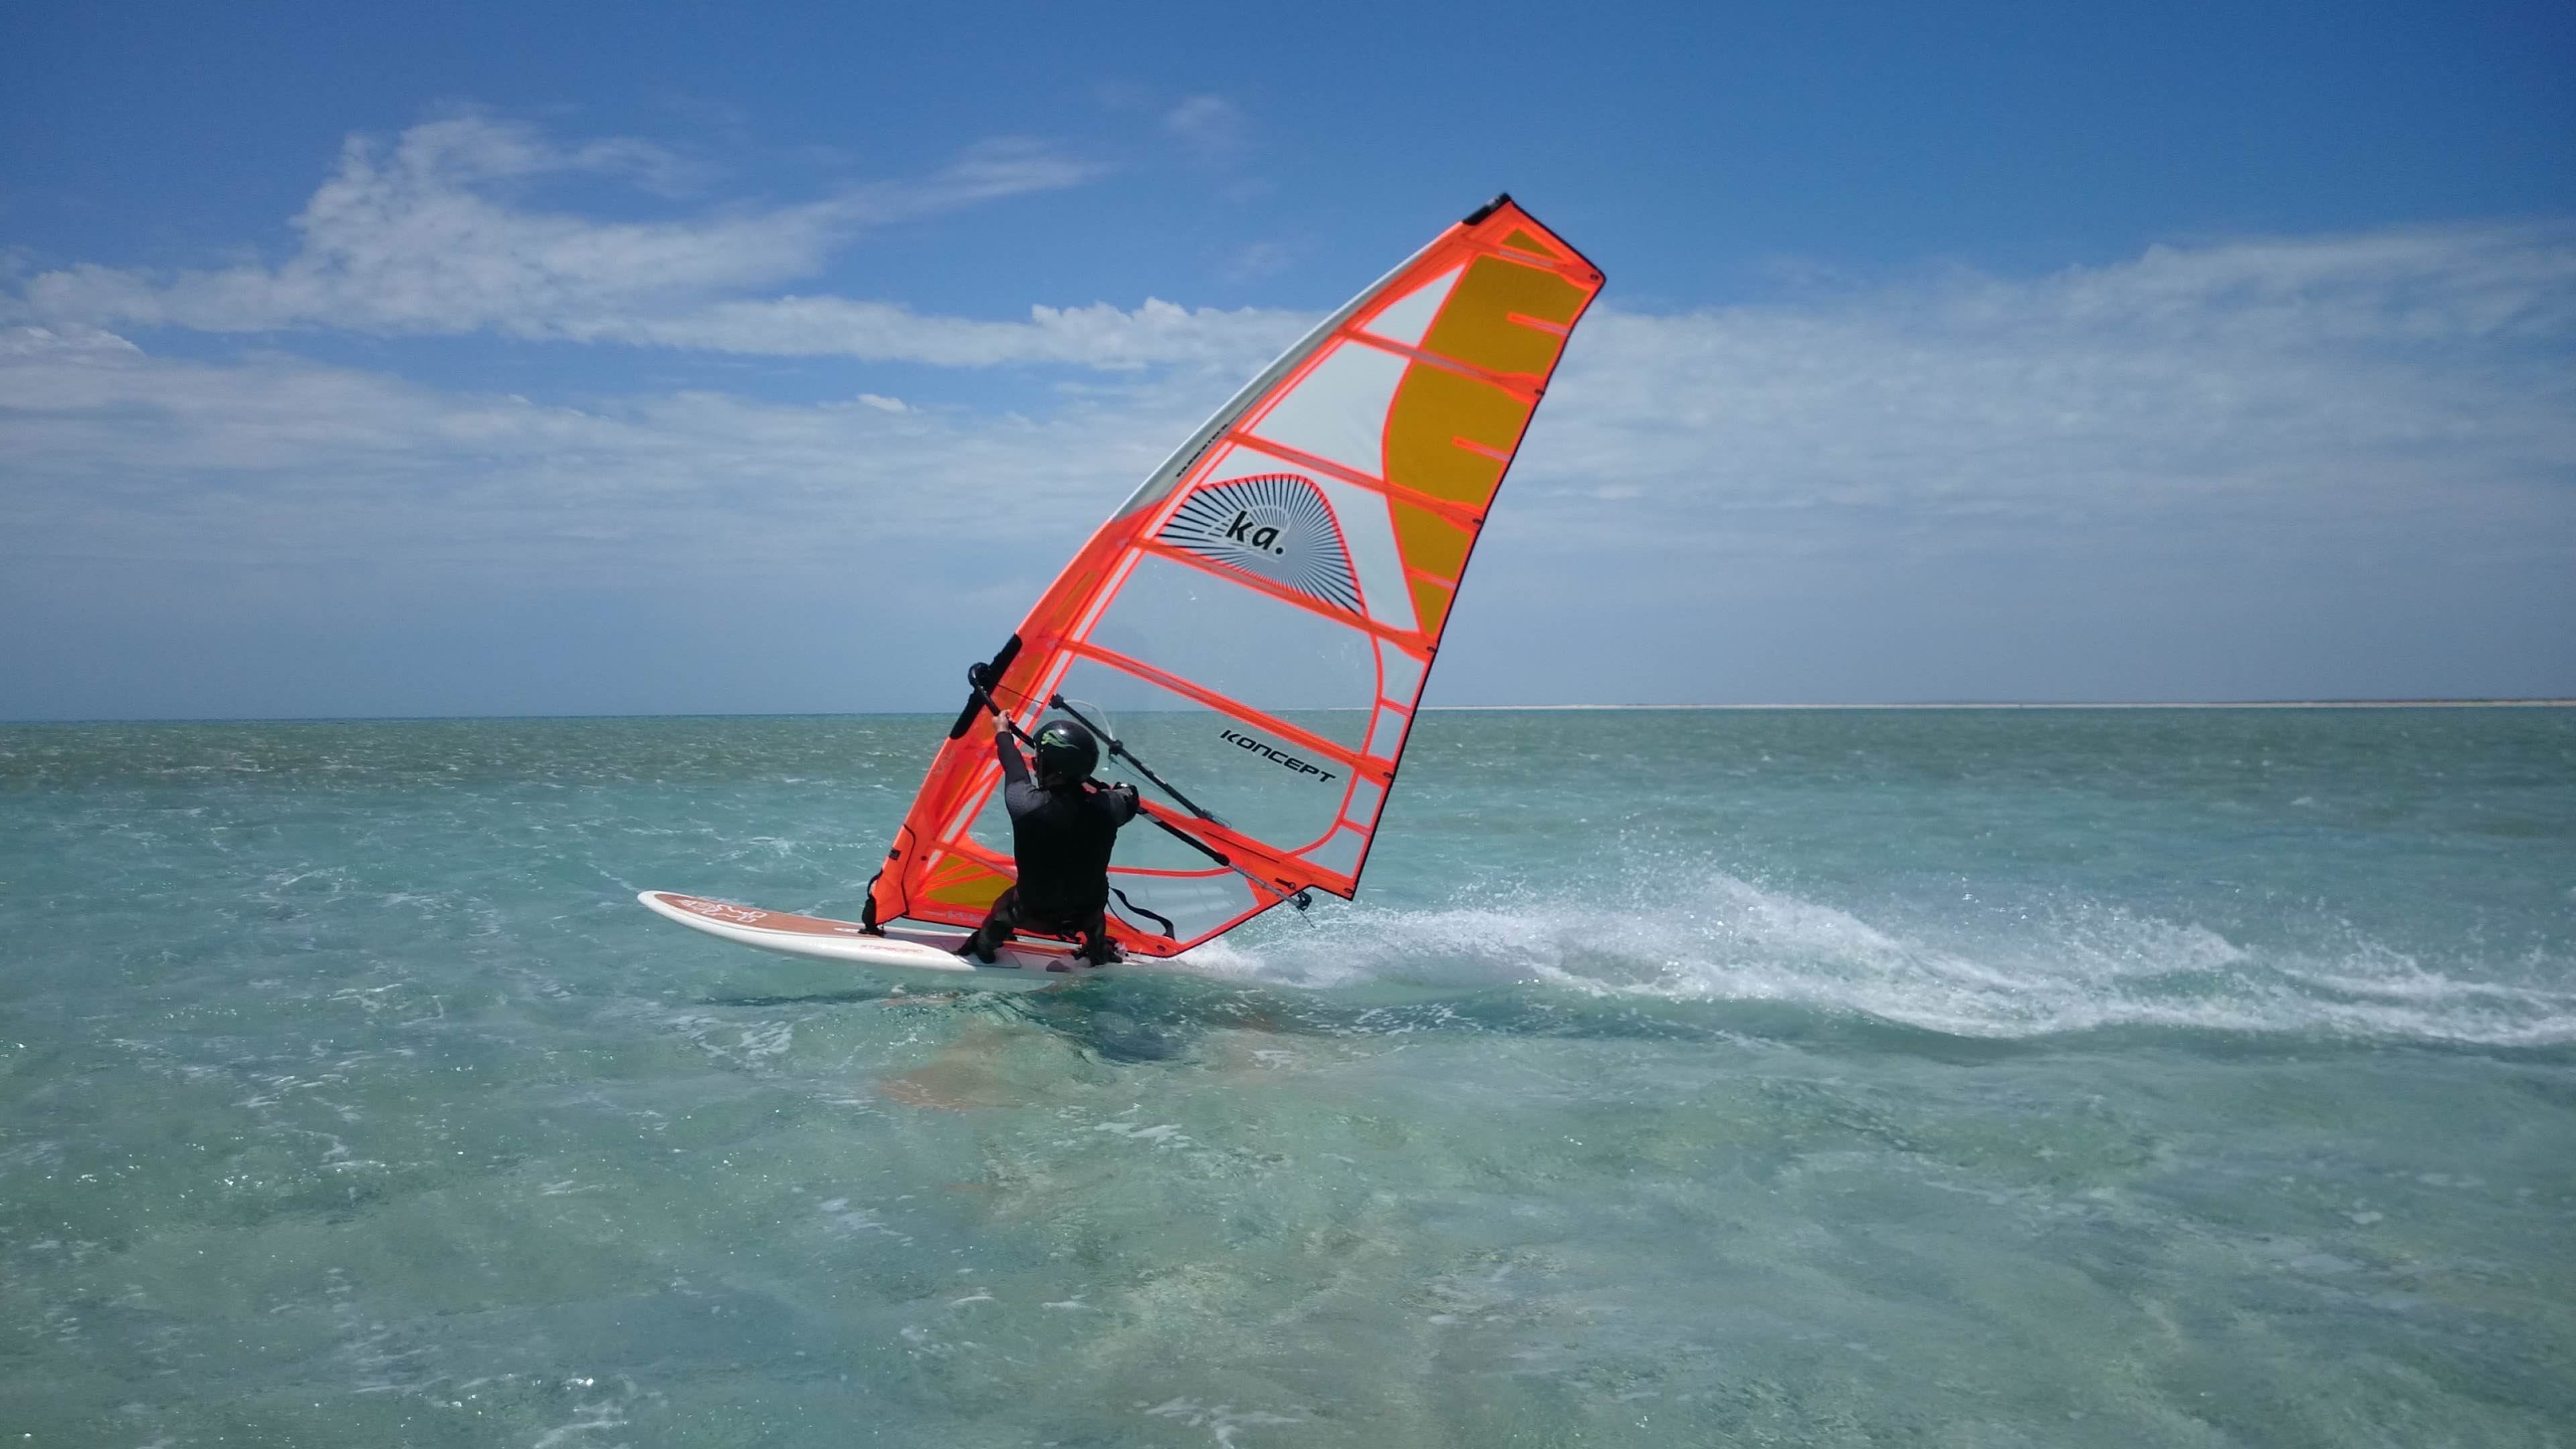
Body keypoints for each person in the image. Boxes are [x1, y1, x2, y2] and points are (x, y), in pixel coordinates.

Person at [957, 716, 1140, 970]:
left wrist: (1002, 731)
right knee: (1093, 902)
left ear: (1046, 766)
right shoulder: (1110, 807)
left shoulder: (1025, 805)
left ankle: (984, 948)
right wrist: (1123, 789)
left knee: (1005, 907)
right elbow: (1130, 798)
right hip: (1085, 917)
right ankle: (1098, 953)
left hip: (1031, 916)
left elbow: (1013, 765)